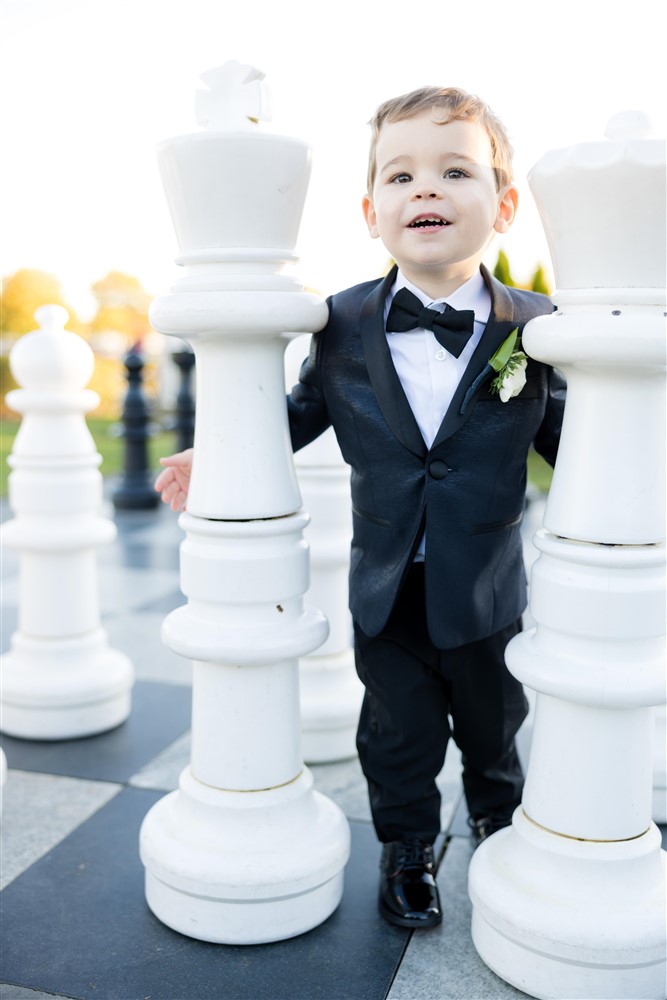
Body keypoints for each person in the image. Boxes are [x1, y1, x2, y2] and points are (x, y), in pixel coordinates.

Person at [154, 86, 566, 931]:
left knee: (493, 725)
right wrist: (219, 449)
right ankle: (406, 847)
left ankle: (496, 822)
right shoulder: (339, 321)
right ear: (370, 209)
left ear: (504, 205)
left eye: (455, 171)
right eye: (401, 174)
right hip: (384, 585)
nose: (425, 189)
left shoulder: (540, 327)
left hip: (486, 588)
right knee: (396, 734)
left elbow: (569, 440)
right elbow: (300, 411)